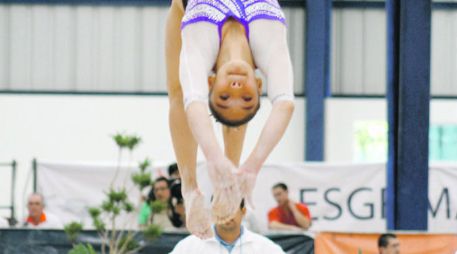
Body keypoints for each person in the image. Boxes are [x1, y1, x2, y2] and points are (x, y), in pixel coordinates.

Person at [166, 0, 295, 238]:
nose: (236, 87)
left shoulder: (199, 43)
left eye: (224, 96)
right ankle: (229, 178)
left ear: (211, 83)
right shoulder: (269, 39)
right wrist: (252, 166)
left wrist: (214, 159)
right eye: (246, 97)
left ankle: (191, 186)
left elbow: (192, 101)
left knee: (179, 91)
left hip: (184, 7)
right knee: (221, 114)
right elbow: (285, 102)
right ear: (258, 85)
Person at [170, 199, 286, 254]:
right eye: (221, 207)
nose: (227, 213)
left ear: (243, 211)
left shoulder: (265, 248)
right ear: (213, 211)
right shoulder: (189, 247)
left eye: (232, 208)